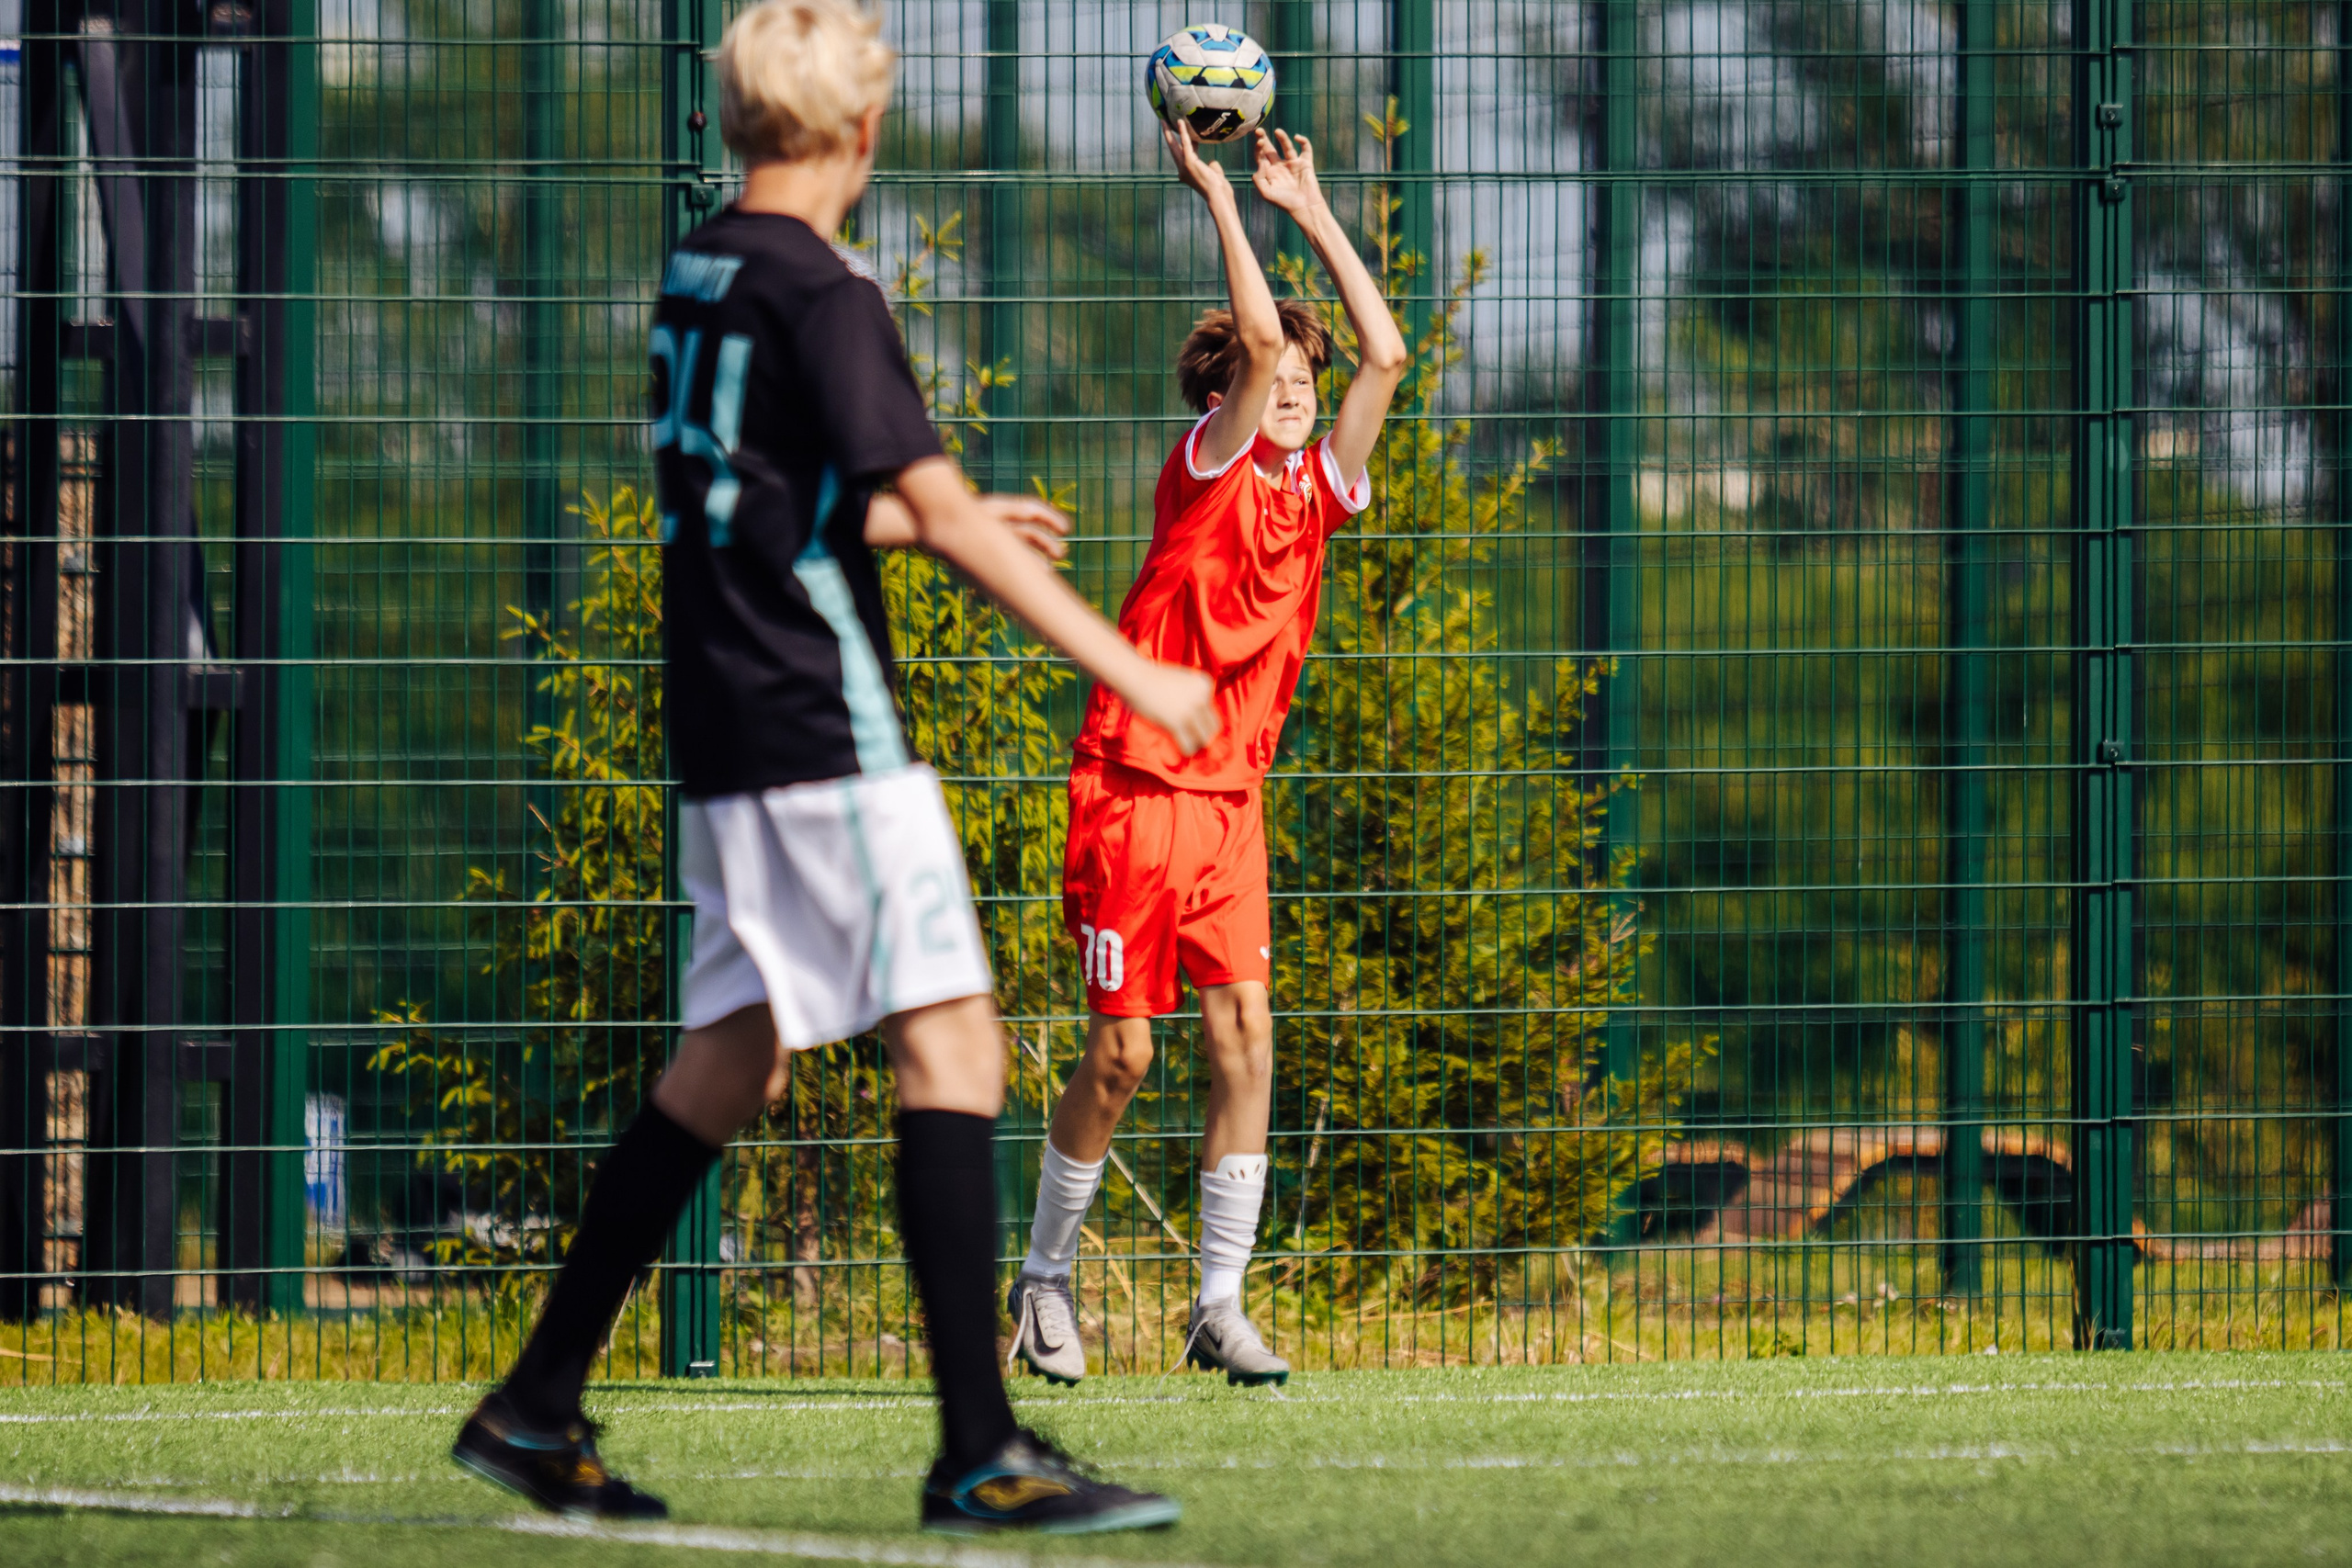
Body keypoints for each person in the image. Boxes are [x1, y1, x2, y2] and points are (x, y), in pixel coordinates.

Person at [449, 0, 1216, 1534]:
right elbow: (921, 504)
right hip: (821, 728)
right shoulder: (826, 291)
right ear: (862, 137)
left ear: (740, 126)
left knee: (731, 1060)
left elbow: (763, 502)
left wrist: (939, 518)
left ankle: (534, 1408)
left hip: (725, 729)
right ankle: (981, 1452)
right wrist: (1127, 663)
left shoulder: (701, 272)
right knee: (958, 1049)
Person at [1004, 119, 1408, 1387]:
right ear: (1233, 388)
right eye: (1278, 373)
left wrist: (1313, 207)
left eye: (1303, 380)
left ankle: (1216, 1308)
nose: (1299, 385)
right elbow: (1269, 343)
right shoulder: (1213, 466)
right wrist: (1224, 201)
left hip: (1231, 803)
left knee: (1247, 1041)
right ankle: (1044, 1283)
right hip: (1135, 788)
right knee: (1123, 1055)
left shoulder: (1318, 489)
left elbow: (1385, 353)